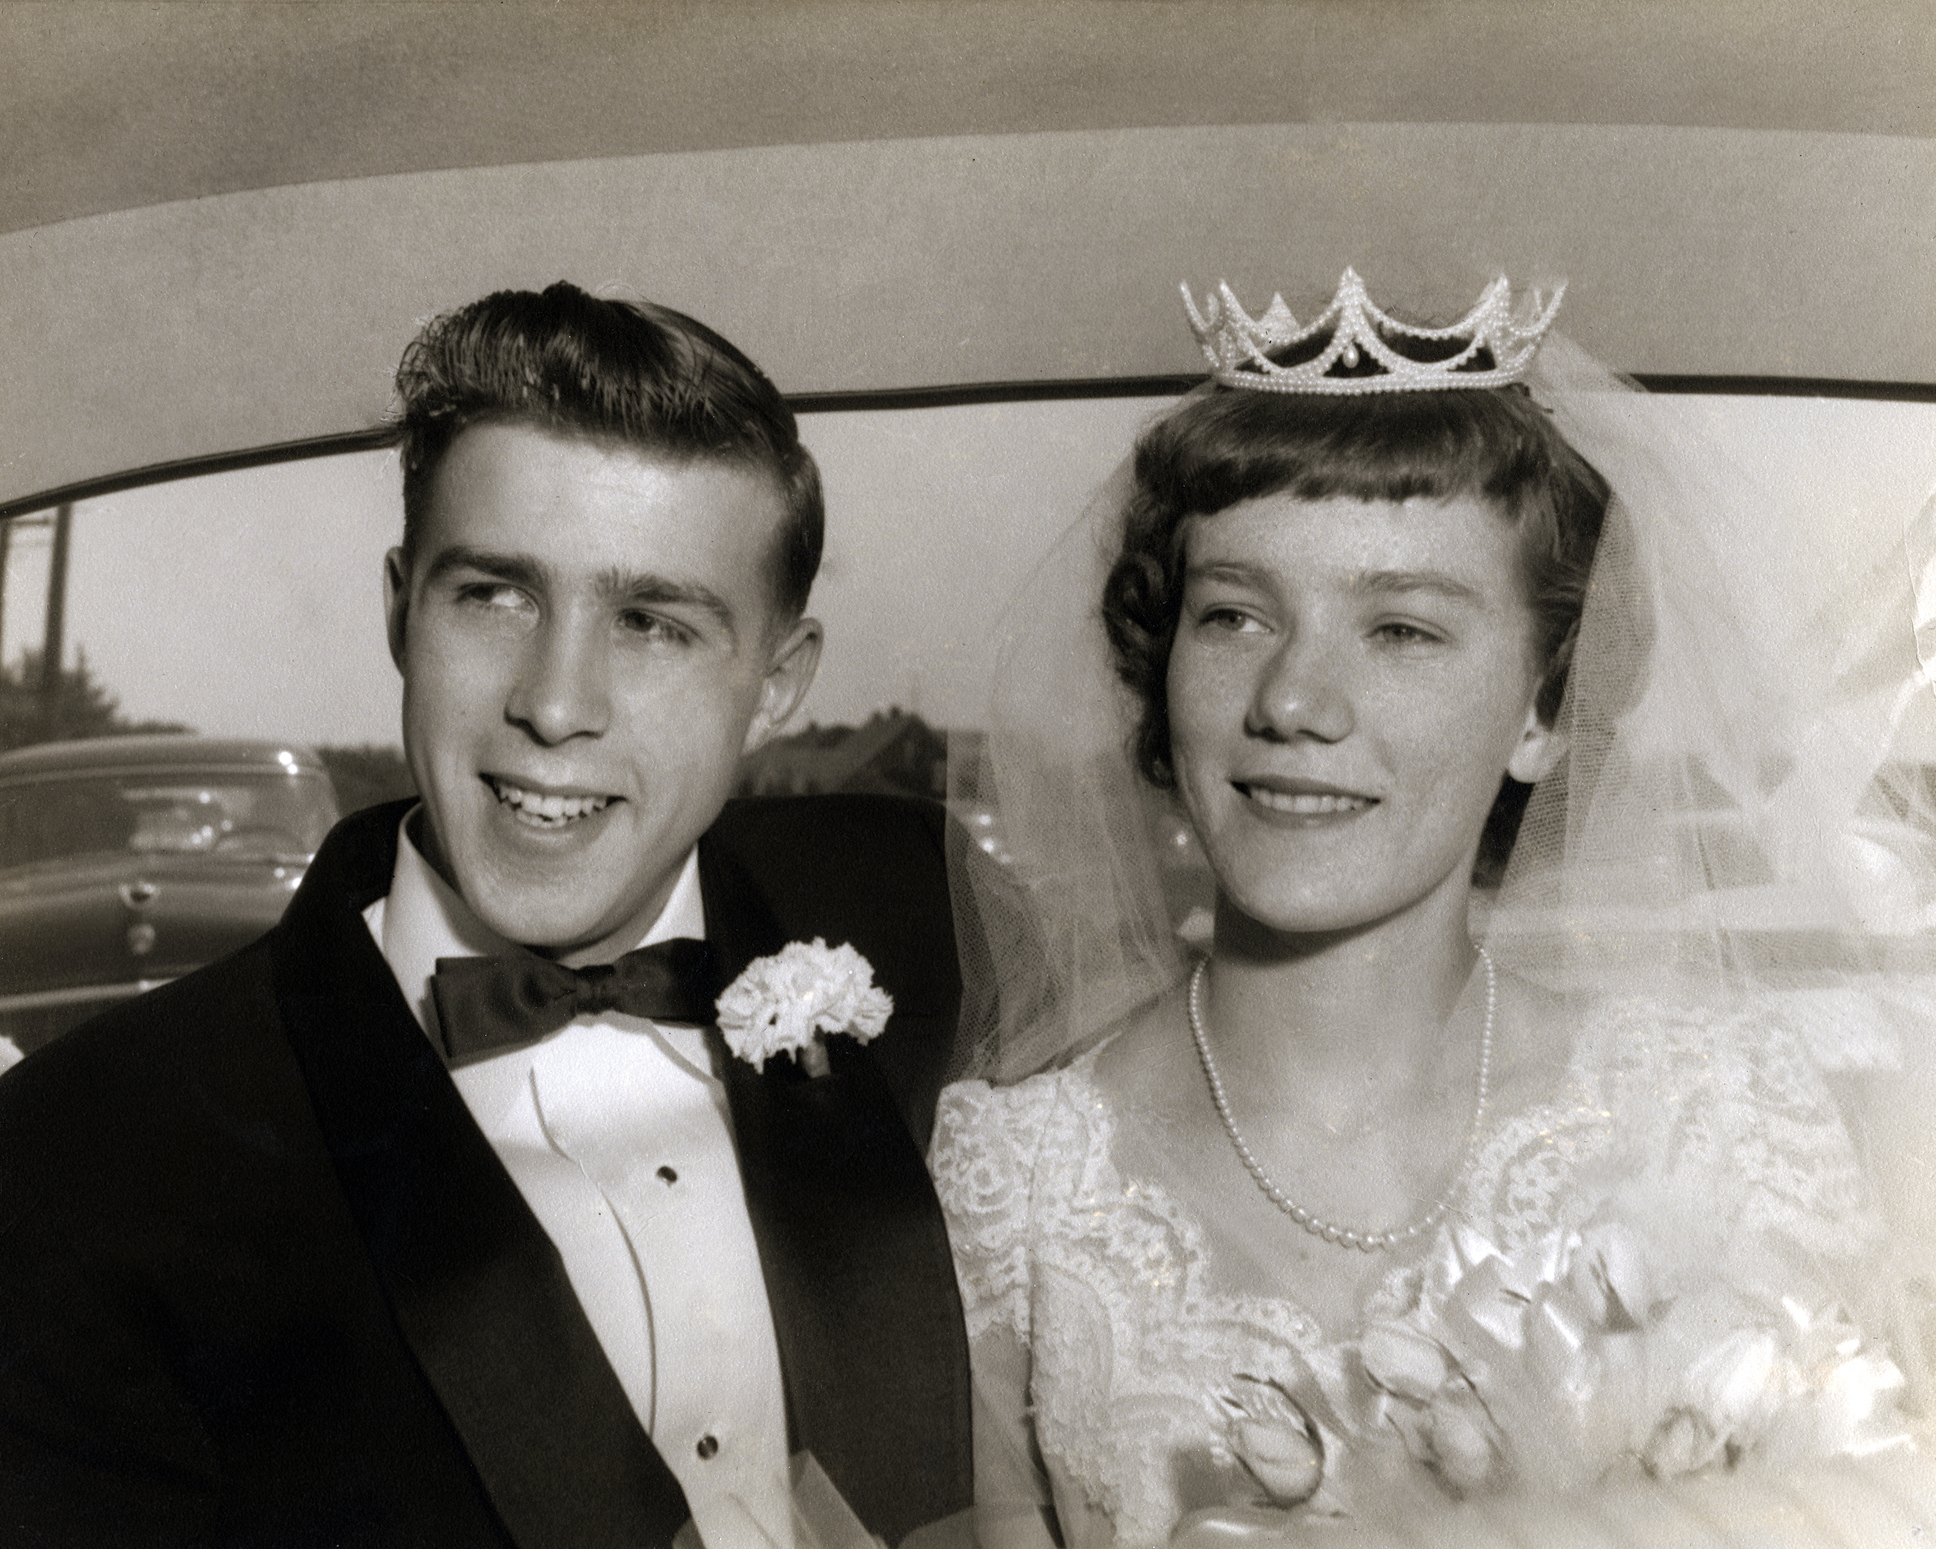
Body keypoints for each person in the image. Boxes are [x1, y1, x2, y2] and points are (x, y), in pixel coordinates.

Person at [930, 270, 1936, 1545]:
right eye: (1234, 613)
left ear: (1538, 708)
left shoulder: (1721, 1110)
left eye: (1401, 630)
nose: (1293, 702)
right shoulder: (1011, 1182)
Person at [0, 283, 972, 1548]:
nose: (557, 704)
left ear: (778, 684)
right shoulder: (87, 1155)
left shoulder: (940, 948)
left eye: (653, 623)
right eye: (496, 596)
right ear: (402, 607)